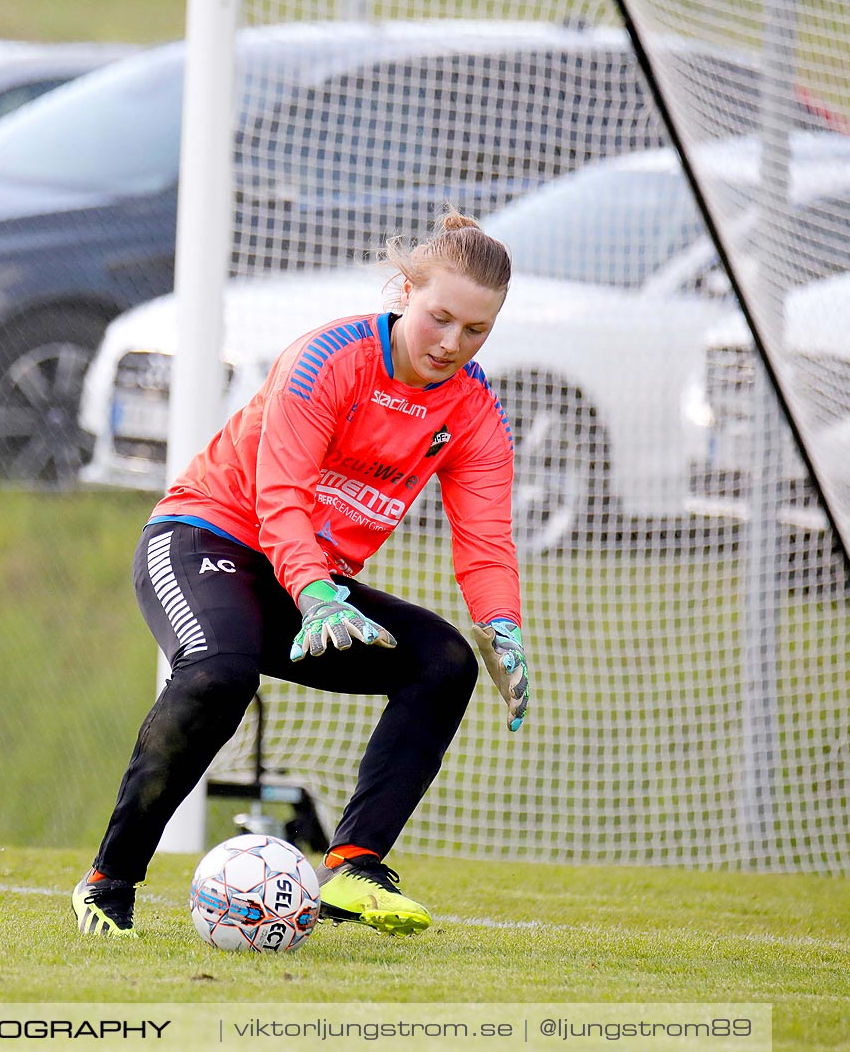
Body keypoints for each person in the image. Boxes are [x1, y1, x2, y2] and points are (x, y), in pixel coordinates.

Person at [72, 211, 530, 939]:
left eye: (476, 331)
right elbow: (277, 494)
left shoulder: (474, 410)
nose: (453, 344)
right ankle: (109, 880)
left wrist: (500, 622)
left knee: (443, 663)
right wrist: (316, 593)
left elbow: (485, 539)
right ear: (405, 289)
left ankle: (353, 865)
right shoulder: (330, 359)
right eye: (441, 319)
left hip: (304, 582)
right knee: (219, 676)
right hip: (204, 538)